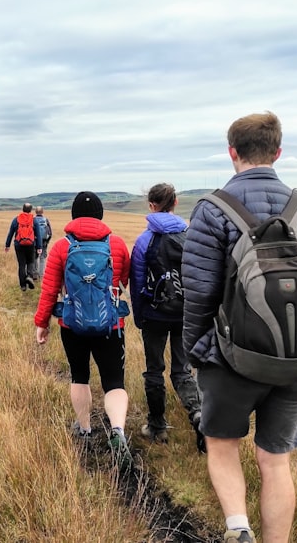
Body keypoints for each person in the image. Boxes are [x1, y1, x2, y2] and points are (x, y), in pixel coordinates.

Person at [182, 112, 297, 543]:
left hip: (231, 357)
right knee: (275, 461)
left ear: (232, 152)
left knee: (222, 445)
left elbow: (198, 292)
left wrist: (199, 352)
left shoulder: (212, 210)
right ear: (278, 152)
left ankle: (238, 529)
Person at [34, 191, 132, 467]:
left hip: (72, 324)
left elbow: (49, 290)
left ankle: (85, 429)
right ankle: (118, 430)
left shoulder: (62, 247)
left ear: (74, 215)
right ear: (101, 214)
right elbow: (123, 280)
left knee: (80, 376)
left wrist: (42, 323)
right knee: (114, 381)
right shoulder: (117, 244)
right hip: (111, 325)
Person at [129, 183, 204, 450]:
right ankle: (197, 414)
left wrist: (140, 317)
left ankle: (157, 426)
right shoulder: (191, 237)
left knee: (154, 370)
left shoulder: (143, 241)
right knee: (183, 371)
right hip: (185, 314)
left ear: (151, 206)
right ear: (176, 204)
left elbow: (136, 284)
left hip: (153, 313)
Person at [3, 203, 43, 291]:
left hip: (19, 244)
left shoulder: (16, 219)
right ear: (31, 210)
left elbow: (11, 233)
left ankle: (23, 285)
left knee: (21, 264)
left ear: (23, 209)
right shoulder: (34, 220)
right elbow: (38, 235)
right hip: (31, 244)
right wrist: (39, 247)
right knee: (30, 262)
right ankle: (29, 276)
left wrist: (7, 245)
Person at [33, 206, 53, 279]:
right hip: (44, 241)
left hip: (35, 241)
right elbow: (50, 233)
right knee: (42, 258)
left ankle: (35, 274)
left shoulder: (33, 220)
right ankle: (41, 275)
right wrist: (47, 241)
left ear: (35, 212)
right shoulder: (45, 220)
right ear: (42, 212)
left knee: (35, 257)